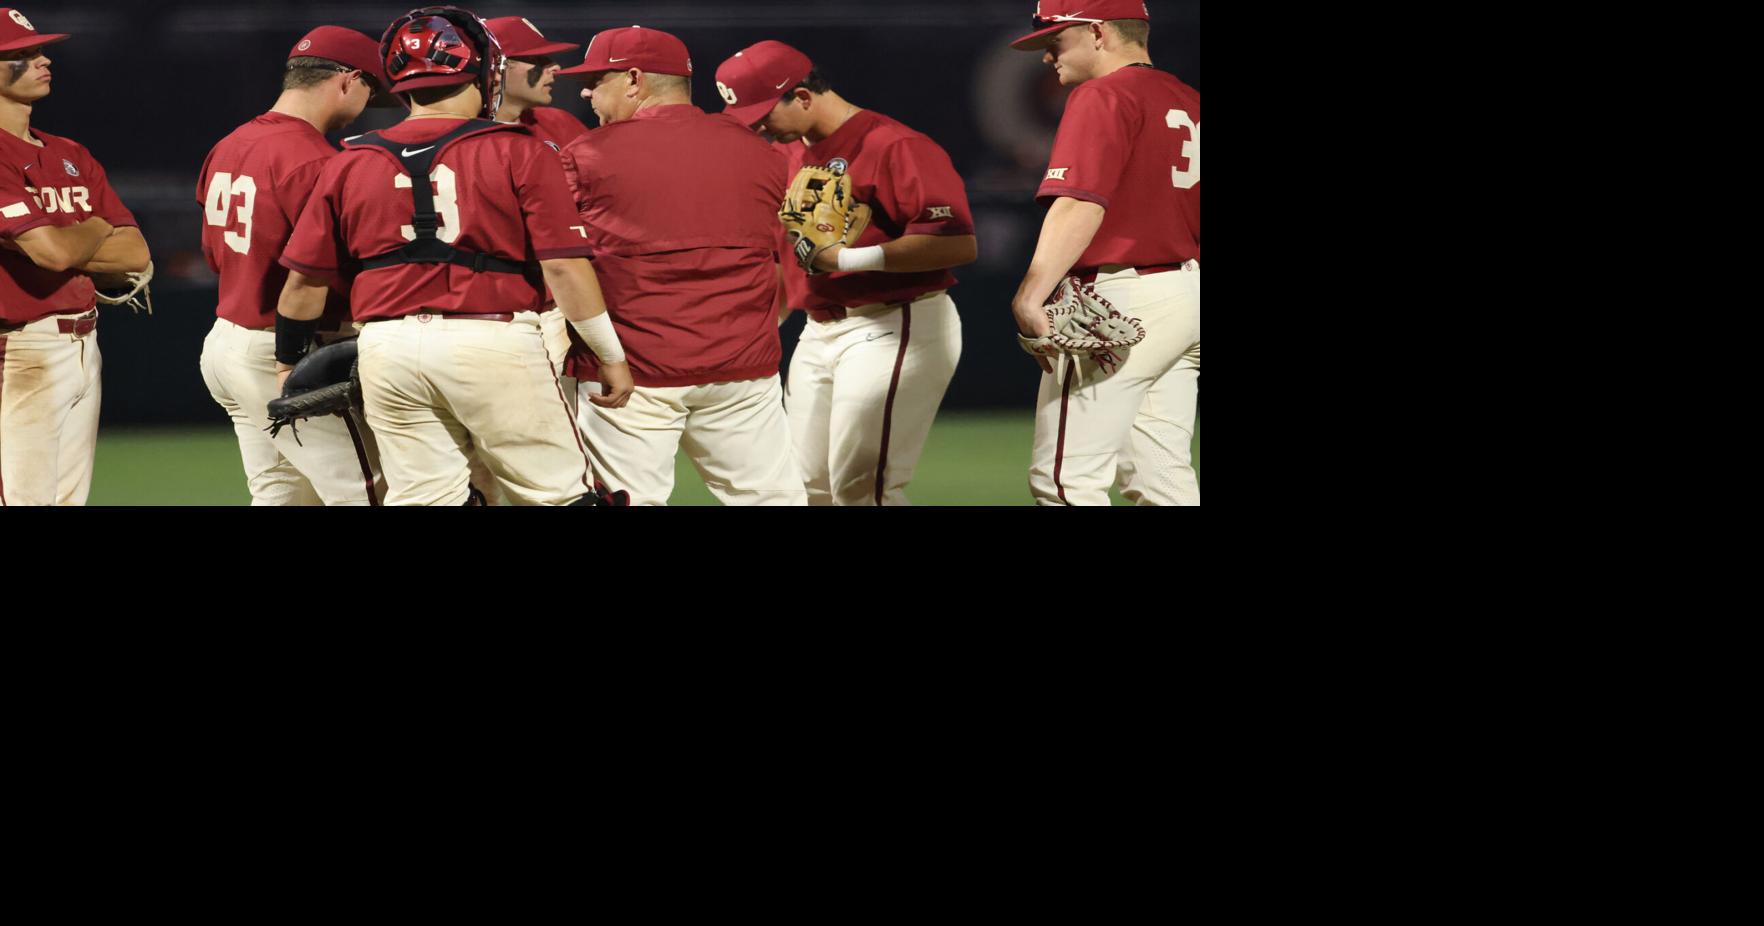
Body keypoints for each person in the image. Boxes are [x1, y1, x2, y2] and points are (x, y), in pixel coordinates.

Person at [276, 5, 631, 506]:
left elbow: (303, 285)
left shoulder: (350, 159)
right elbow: (564, 266)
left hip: (387, 348)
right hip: (492, 338)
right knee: (561, 496)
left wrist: (286, 362)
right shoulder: (518, 149)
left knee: (425, 499)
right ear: (487, 73)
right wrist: (609, 354)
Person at [717, 40, 975, 506]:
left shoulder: (894, 144)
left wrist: (850, 258)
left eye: (762, 110)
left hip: (895, 323)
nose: (757, 124)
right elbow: (786, 257)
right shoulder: (789, 152)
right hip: (818, 331)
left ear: (802, 95)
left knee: (862, 488)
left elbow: (957, 242)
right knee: (805, 488)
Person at [556, 26, 805, 506]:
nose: (587, 91)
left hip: (631, 375)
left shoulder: (585, 155)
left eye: (597, 80)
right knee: (774, 500)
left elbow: (558, 263)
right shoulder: (762, 153)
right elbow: (786, 261)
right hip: (743, 370)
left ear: (634, 79)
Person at [1008, 0, 1200, 506]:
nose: (1048, 58)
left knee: (1065, 479)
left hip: (1122, 297)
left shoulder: (1103, 95)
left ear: (1097, 32)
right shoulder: (1189, 100)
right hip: (1185, 293)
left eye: (1055, 42)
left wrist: (1032, 293)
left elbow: (1079, 204)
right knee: (1162, 477)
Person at [197, 25, 388, 506]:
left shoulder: (231, 143)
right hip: (290, 350)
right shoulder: (316, 159)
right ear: (346, 80)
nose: (367, 101)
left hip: (228, 341)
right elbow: (325, 272)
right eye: (369, 88)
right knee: (370, 494)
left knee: (283, 496)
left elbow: (213, 255)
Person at [0, 7, 150, 506]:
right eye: (21, 54)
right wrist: (97, 225)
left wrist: (72, 244)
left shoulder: (70, 152)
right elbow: (51, 252)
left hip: (84, 342)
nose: (43, 61)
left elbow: (135, 252)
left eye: (40, 50)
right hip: (19, 350)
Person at [484, 16, 590, 152]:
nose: (556, 67)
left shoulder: (559, 123)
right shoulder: (461, 133)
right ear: (496, 67)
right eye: (536, 58)